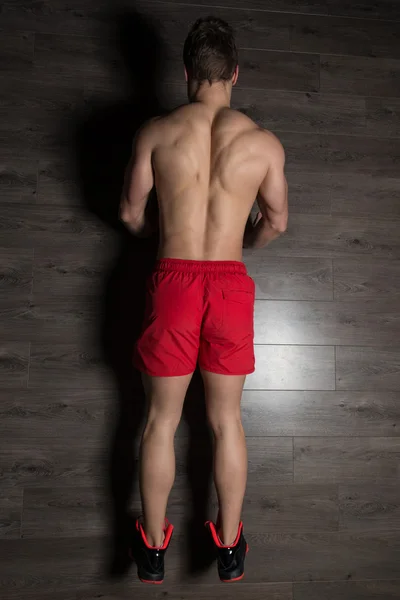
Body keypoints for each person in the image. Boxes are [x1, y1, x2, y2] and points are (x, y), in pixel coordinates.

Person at [120, 16, 288, 585]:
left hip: (174, 282)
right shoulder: (263, 143)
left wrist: (157, 236)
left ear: (187, 72)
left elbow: (129, 213)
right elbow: (278, 222)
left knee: (159, 421)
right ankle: (231, 547)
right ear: (234, 74)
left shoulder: (156, 132)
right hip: (229, 283)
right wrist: (245, 238)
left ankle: (151, 549)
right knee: (225, 421)